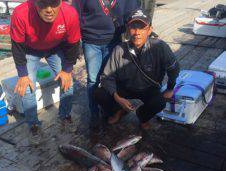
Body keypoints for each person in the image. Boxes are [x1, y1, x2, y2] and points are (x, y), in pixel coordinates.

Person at [94, 8, 180, 130]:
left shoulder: (160, 47)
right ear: (128, 30)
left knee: (160, 102)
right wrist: (117, 98)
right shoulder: (119, 49)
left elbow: (174, 68)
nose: (137, 32)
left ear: (150, 30)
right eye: (133, 27)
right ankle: (119, 110)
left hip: (148, 87)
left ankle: (142, 116)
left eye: (142, 28)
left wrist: (171, 87)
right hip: (125, 87)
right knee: (99, 93)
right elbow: (106, 77)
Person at [10, 0, 81, 145]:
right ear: (35, 3)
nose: (49, 9)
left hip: (55, 48)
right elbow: (17, 46)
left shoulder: (70, 13)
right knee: (27, 88)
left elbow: (74, 44)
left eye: (54, 4)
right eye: (43, 4)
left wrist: (67, 70)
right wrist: (23, 74)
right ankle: (33, 125)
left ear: (61, 2)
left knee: (68, 82)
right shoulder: (20, 13)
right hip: (30, 50)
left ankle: (65, 115)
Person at [71, 0, 140, 129]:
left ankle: (112, 110)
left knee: (113, 77)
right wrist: (74, 45)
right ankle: (94, 114)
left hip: (114, 41)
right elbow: (75, 16)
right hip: (91, 42)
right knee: (93, 80)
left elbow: (134, 13)